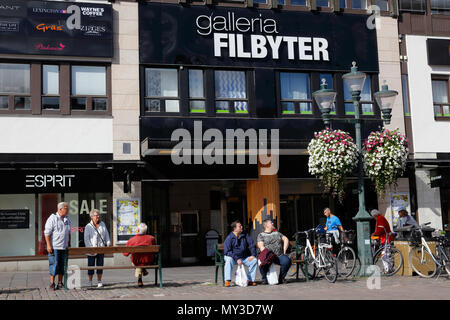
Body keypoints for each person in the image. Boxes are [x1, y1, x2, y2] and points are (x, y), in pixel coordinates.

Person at [44, 202, 71, 291]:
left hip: (64, 247)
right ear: (60, 209)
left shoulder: (67, 219)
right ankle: (52, 283)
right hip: (55, 247)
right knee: (54, 264)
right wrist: (48, 245)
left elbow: (68, 232)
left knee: (63, 265)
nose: (68, 210)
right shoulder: (52, 219)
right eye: (66, 208)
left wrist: (69, 243)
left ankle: (60, 282)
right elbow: (47, 233)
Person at [257, 219, 291, 284]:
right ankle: (264, 279)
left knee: (287, 261)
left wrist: (284, 250)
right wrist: (267, 253)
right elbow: (260, 246)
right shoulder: (261, 235)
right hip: (268, 255)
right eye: (271, 223)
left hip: (278, 255)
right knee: (262, 261)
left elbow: (285, 239)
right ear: (266, 225)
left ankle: (281, 278)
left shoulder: (277, 233)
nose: (272, 224)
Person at [223, 221, 257, 287]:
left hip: (243, 257)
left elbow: (252, 244)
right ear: (234, 229)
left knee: (254, 260)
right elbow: (227, 252)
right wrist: (237, 258)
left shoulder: (245, 234)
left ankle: (250, 280)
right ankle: (227, 280)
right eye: (240, 226)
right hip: (233, 258)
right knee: (228, 260)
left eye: (241, 226)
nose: (242, 227)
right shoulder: (229, 238)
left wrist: (253, 255)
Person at [84, 209, 111, 288]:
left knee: (100, 265)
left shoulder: (102, 224)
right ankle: (90, 281)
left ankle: (99, 281)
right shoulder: (88, 226)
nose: (98, 216)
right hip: (92, 249)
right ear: (92, 217)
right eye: (96, 215)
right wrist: (90, 249)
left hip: (101, 248)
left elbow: (106, 235)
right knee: (91, 266)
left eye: (99, 215)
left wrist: (108, 243)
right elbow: (86, 239)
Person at [123, 223, 156, 287]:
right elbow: (155, 250)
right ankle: (143, 270)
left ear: (138, 230)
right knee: (142, 260)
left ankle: (139, 279)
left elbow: (125, 254)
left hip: (136, 261)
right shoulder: (151, 238)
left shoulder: (132, 240)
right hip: (148, 261)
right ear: (146, 231)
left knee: (137, 261)